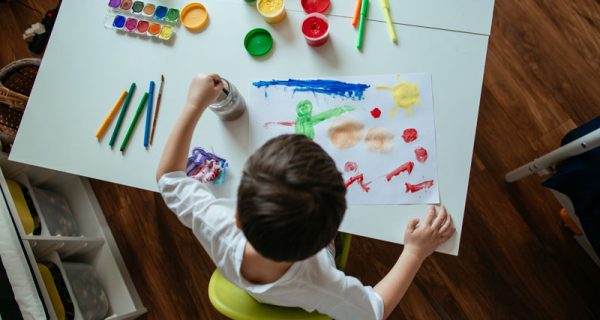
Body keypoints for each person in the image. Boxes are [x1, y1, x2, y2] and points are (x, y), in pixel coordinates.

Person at [156, 74, 456, 320]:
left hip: (246, 281)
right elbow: (373, 311)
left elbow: (168, 177)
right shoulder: (321, 280)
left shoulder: (214, 222)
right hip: (298, 290)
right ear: (329, 239)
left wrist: (194, 104)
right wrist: (415, 252)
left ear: (238, 214)